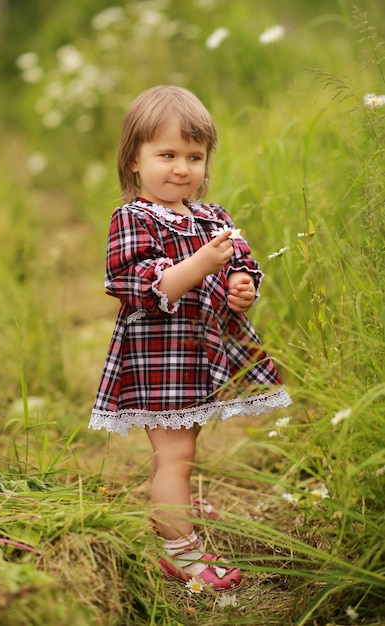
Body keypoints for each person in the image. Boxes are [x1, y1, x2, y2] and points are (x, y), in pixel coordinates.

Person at [89, 85, 292, 591]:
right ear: (134, 160)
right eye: (167, 155)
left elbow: (241, 265)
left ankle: (171, 501)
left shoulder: (212, 216)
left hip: (201, 354)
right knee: (177, 454)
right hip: (162, 358)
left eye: (194, 157)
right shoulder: (132, 218)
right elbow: (144, 285)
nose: (182, 168)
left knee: (181, 446)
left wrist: (243, 286)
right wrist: (202, 264)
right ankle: (179, 548)